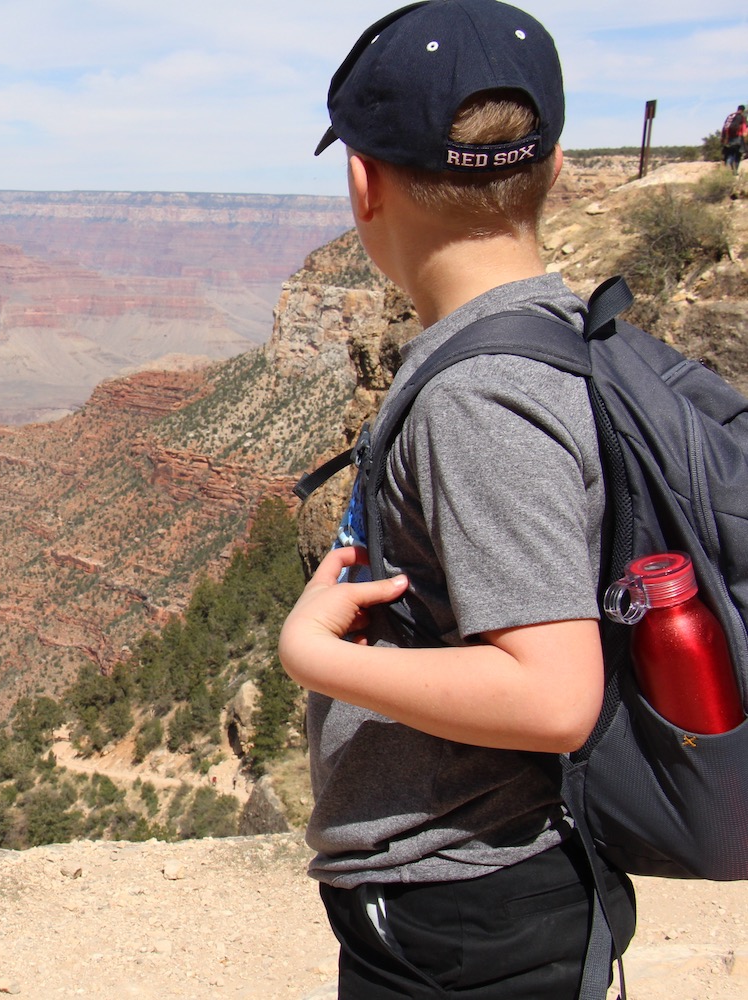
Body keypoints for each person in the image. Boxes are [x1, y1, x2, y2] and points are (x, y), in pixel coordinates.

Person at [278, 1, 636, 996]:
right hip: (490, 899)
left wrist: (315, 660)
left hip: (466, 912)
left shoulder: (480, 394)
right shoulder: (548, 338)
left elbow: (553, 694)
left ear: (363, 183)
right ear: (555, 171)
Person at [723, 104, 746, 174]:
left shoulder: (730, 116)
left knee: (730, 154)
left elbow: (725, 126)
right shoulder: (741, 117)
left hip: (728, 138)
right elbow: (744, 130)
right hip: (738, 138)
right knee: (738, 154)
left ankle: (726, 170)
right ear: (743, 110)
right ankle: (735, 171)